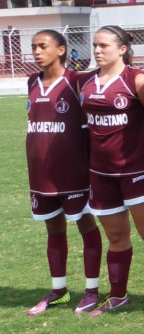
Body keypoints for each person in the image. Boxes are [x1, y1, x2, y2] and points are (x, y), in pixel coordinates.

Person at [77, 26, 144, 317]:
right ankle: (117, 296)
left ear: (122, 49)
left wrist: (142, 154)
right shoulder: (87, 83)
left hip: (137, 172)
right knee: (116, 238)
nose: (97, 50)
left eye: (104, 45)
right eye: (94, 45)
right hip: (100, 175)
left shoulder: (138, 80)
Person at [24, 30, 103, 316]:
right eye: (33, 46)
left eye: (42, 46)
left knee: (86, 226)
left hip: (74, 173)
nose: (36, 51)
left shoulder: (76, 82)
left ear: (60, 50)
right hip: (40, 173)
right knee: (52, 229)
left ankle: (91, 290)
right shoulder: (32, 81)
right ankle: (58, 291)